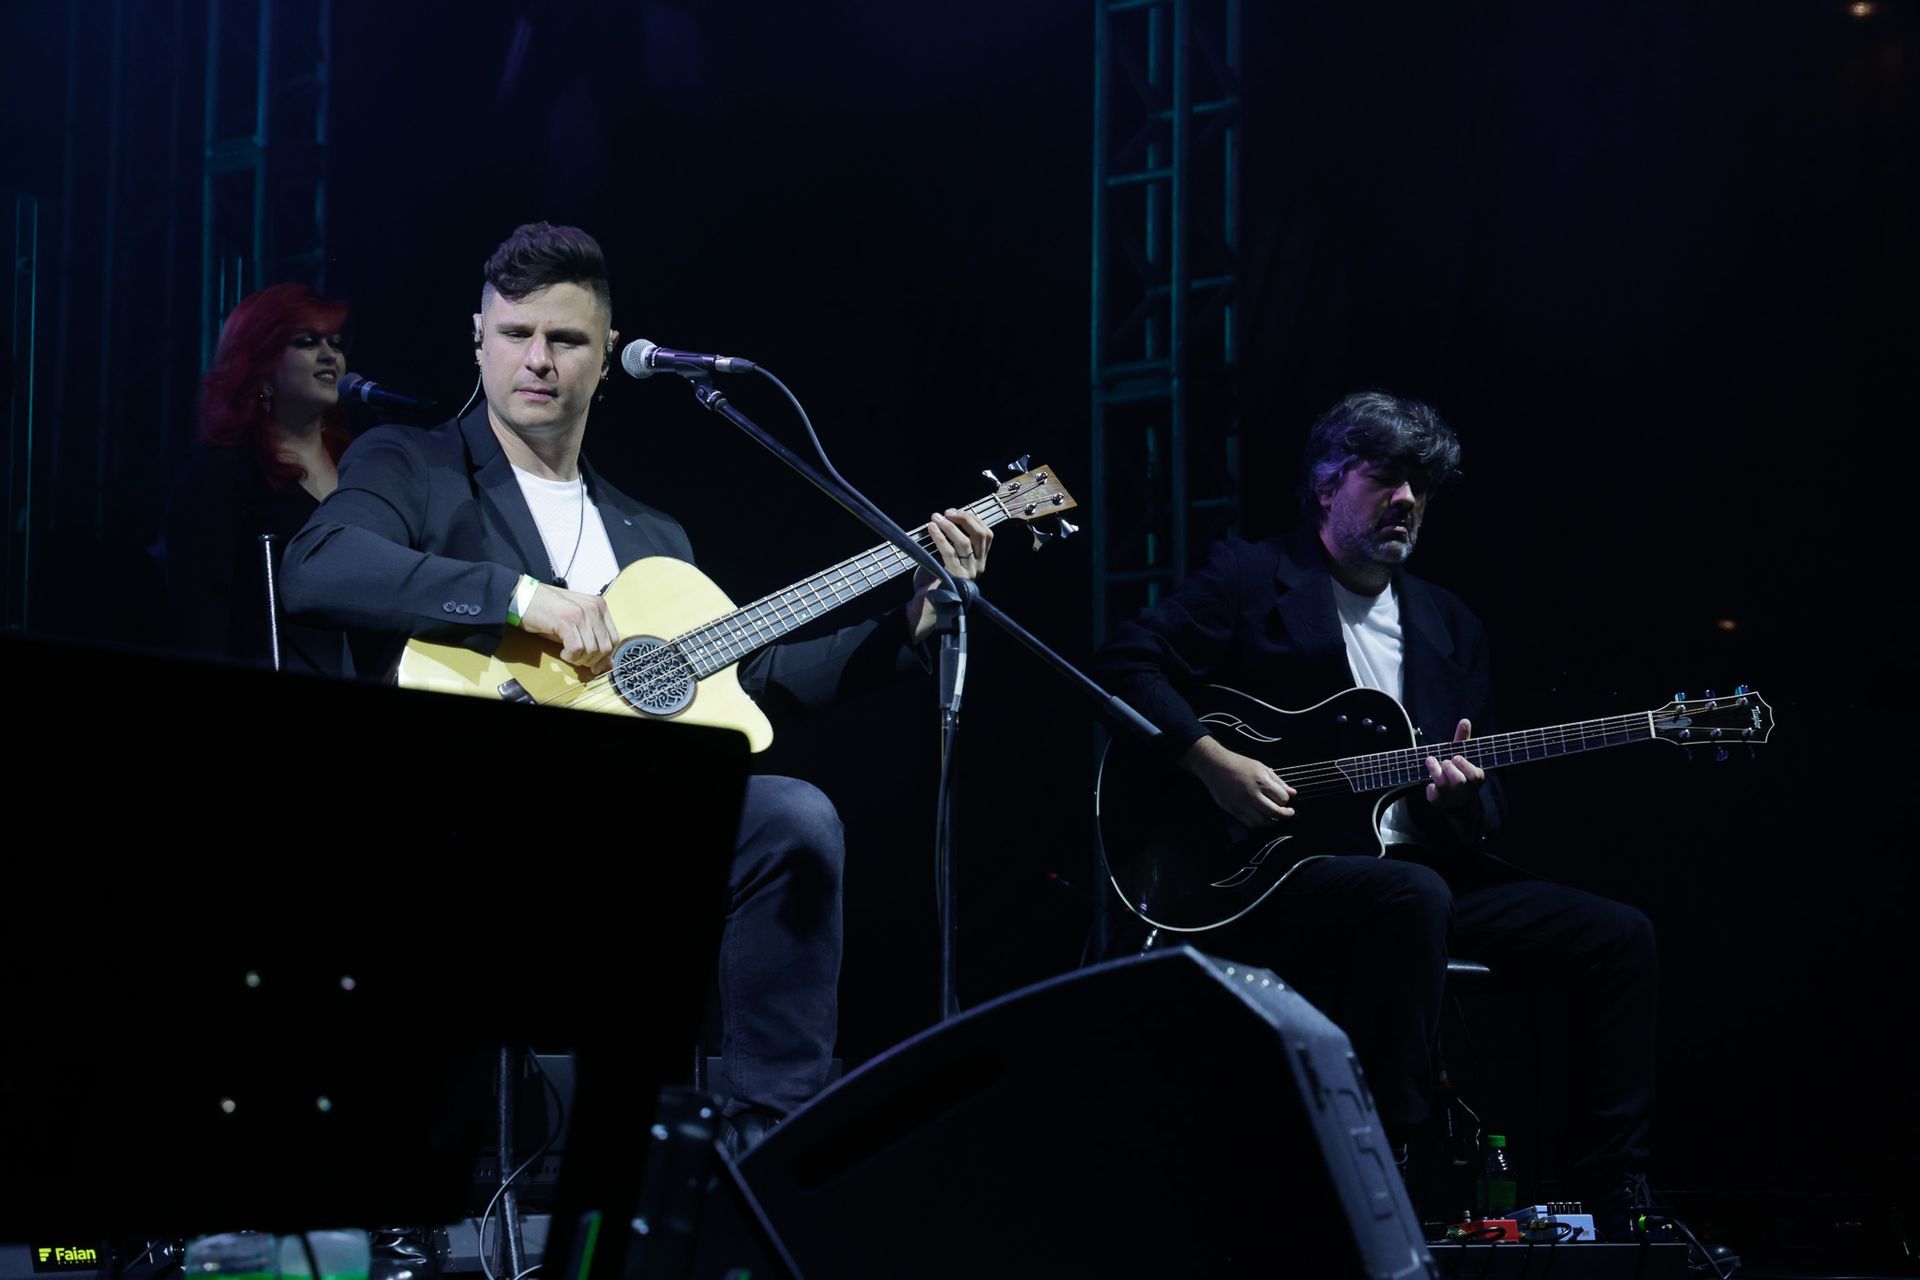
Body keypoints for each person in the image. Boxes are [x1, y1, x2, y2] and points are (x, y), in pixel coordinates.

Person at [282, 221, 992, 1152]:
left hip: (620, 838)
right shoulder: (409, 464)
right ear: (479, 338)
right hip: (464, 821)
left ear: (608, 355)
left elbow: (752, 686)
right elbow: (317, 565)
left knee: (791, 817)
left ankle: (763, 1151)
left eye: (566, 340)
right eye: (516, 334)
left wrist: (909, 629)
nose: (538, 360)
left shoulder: (651, 536)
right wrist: (521, 598)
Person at [1090, 390, 1657, 1233]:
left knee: (1619, 935)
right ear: (1326, 487)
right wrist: (1210, 762)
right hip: (1265, 876)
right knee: (1415, 899)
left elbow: (1483, 792)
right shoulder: (1251, 577)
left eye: (1420, 487)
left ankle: (1618, 1194)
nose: (1407, 502)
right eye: (1385, 478)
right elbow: (1125, 664)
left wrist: (1461, 804)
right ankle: (1391, 1174)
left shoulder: (1450, 624)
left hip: (1409, 871)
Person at [164, 282, 354, 675]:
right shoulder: (219, 472)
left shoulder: (361, 462)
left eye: (335, 343)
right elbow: (201, 614)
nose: (329, 355)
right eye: (306, 342)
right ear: (260, 363)